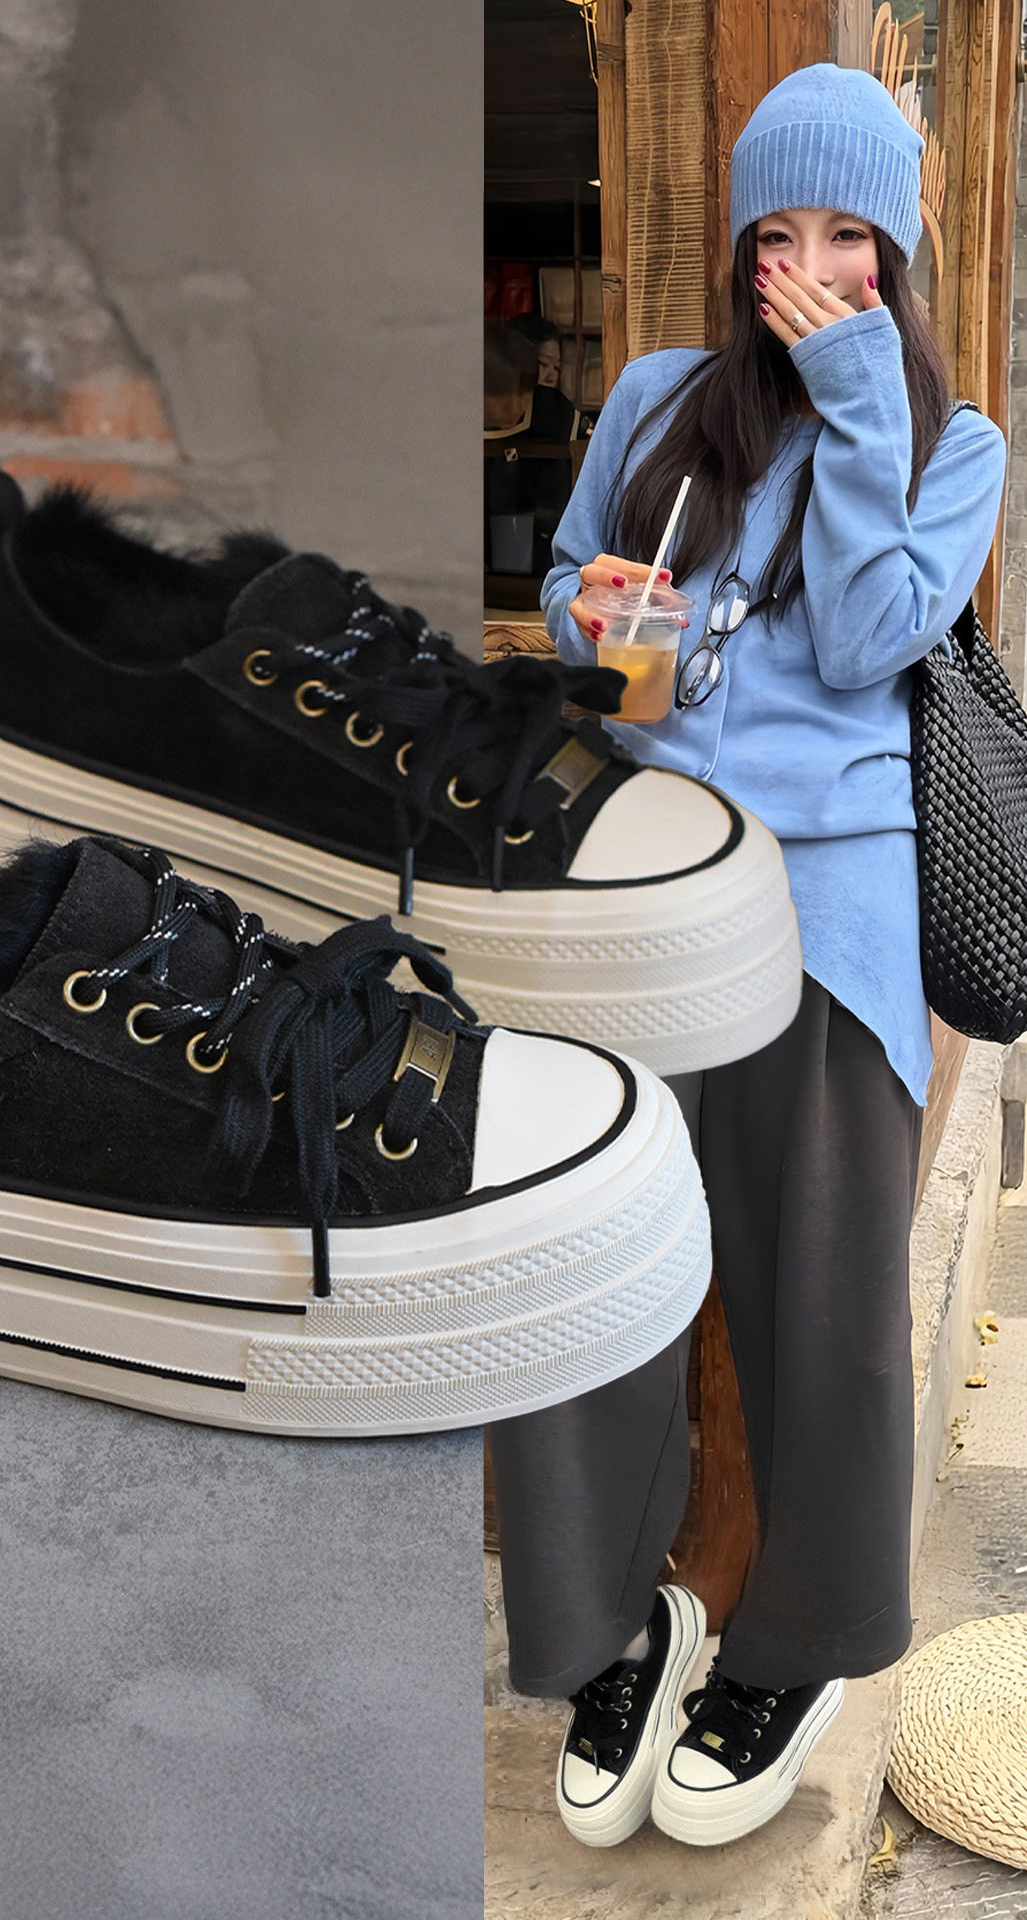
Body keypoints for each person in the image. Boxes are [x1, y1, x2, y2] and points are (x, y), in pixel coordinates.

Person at [487, 63, 1007, 1851]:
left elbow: (865, 642)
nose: (808, 269)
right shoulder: (654, 399)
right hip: (644, 887)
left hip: (830, 913)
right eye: (776, 235)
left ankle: (794, 1647)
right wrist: (593, 617)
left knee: (825, 1306)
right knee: (580, 1257)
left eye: (848, 236)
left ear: (897, 254)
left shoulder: (951, 444)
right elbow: (579, 595)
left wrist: (857, 403)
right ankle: (617, 1626)